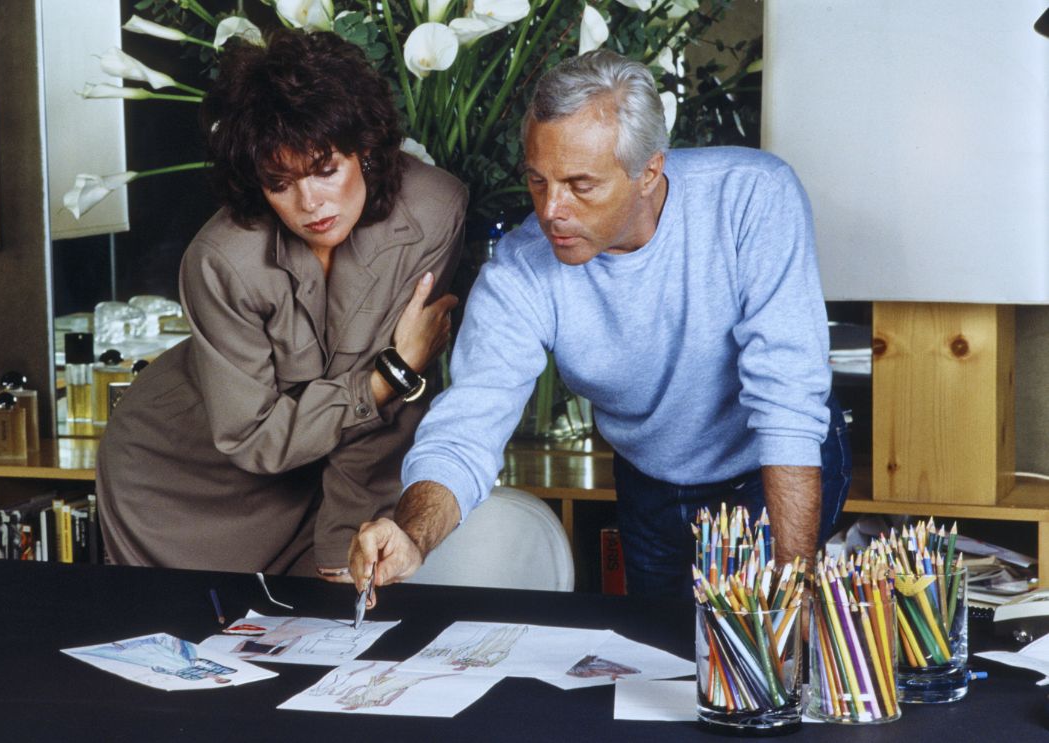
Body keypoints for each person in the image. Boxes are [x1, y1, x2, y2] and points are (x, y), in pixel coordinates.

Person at [349, 50, 850, 604]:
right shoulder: (520, 270)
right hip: (649, 478)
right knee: (663, 647)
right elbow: (467, 425)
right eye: (537, 181)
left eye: (580, 184)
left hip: (768, 465)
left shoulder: (753, 194)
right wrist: (412, 534)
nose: (551, 211)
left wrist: (792, 594)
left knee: (758, 637)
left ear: (648, 171)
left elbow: (786, 405)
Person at [97, 30, 467, 579]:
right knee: (188, 632)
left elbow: (387, 424)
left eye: (325, 169)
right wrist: (387, 376)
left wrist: (343, 548)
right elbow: (253, 437)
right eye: (279, 182)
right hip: (179, 483)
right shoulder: (221, 260)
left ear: (365, 149)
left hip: (314, 486)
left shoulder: (432, 210)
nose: (310, 203)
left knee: (333, 625)